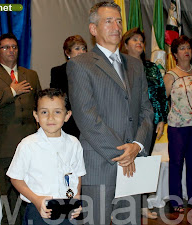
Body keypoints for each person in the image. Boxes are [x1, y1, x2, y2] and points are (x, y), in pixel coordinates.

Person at [66, 2, 154, 225]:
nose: (116, 26)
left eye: (119, 21)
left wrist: (137, 146)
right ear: (93, 29)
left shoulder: (135, 64)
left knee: (130, 221)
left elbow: (146, 109)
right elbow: (86, 117)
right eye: (108, 21)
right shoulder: (80, 64)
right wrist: (123, 154)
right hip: (100, 161)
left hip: (134, 160)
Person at [0, 33, 42, 225]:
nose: (11, 51)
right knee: (9, 196)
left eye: (14, 47)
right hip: (4, 146)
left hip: (31, 145)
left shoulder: (31, 74)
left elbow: (39, 104)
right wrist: (12, 90)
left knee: (32, 192)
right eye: (6, 47)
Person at [6, 88, 86, 225]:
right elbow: (15, 178)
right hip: (39, 210)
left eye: (57, 112)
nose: (50, 117)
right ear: (36, 116)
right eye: (44, 112)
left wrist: (77, 197)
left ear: (67, 115)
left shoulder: (74, 143)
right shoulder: (27, 145)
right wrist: (36, 199)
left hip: (67, 209)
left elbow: (77, 174)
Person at [120, 27, 168, 219]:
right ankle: (121, 207)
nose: (139, 43)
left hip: (149, 123)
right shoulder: (119, 66)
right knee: (124, 164)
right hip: (124, 122)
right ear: (125, 45)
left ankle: (142, 205)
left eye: (141, 40)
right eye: (134, 40)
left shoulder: (152, 68)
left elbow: (161, 94)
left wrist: (161, 118)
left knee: (144, 165)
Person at [163, 35, 192, 212]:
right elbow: (161, 100)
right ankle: (176, 201)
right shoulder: (170, 75)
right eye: (181, 48)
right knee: (176, 163)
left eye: (188, 48)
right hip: (178, 127)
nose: (186, 51)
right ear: (174, 54)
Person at [50, 35, 87, 138]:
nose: (81, 52)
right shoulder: (58, 72)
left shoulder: (92, 71)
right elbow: (57, 99)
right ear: (67, 52)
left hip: (88, 121)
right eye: (77, 48)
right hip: (69, 122)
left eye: (84, 49)